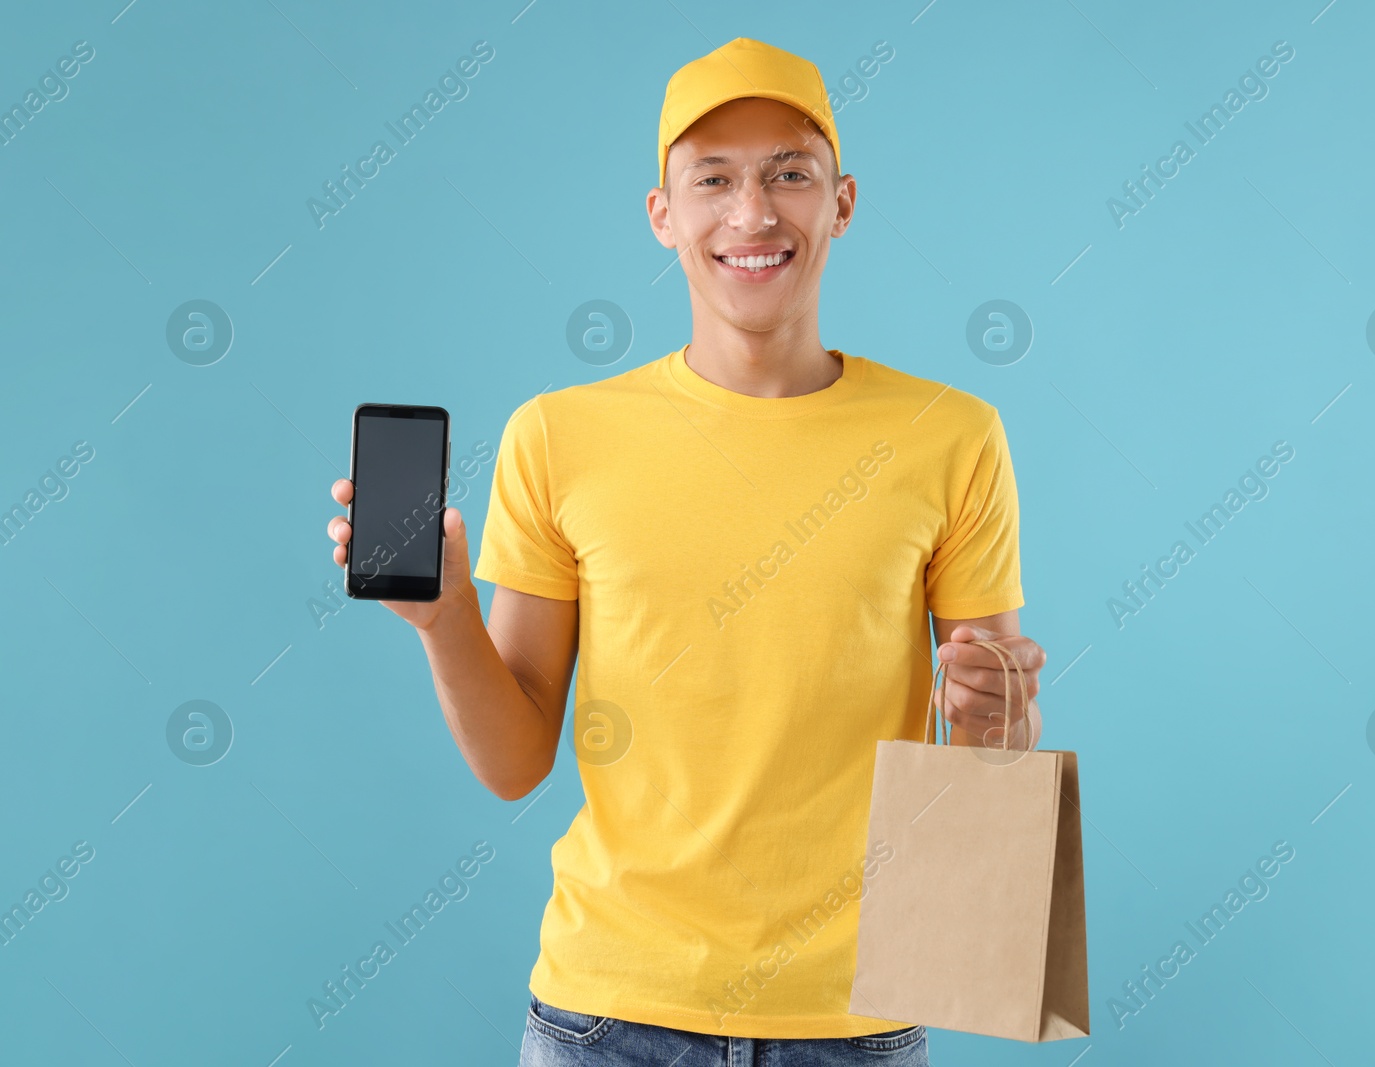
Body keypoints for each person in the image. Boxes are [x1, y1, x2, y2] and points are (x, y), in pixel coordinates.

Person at [325, 35, 1049, 1067]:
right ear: (663, 216)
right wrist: (443, 619)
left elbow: (988, 751)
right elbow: (514, 760)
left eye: (788, 175)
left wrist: (1000, 719)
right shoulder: (557, 435)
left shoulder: (952, 435)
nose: (752, 214)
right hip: (605, 1020)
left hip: (853, 1028)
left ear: (841, 202)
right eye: (712, 180)